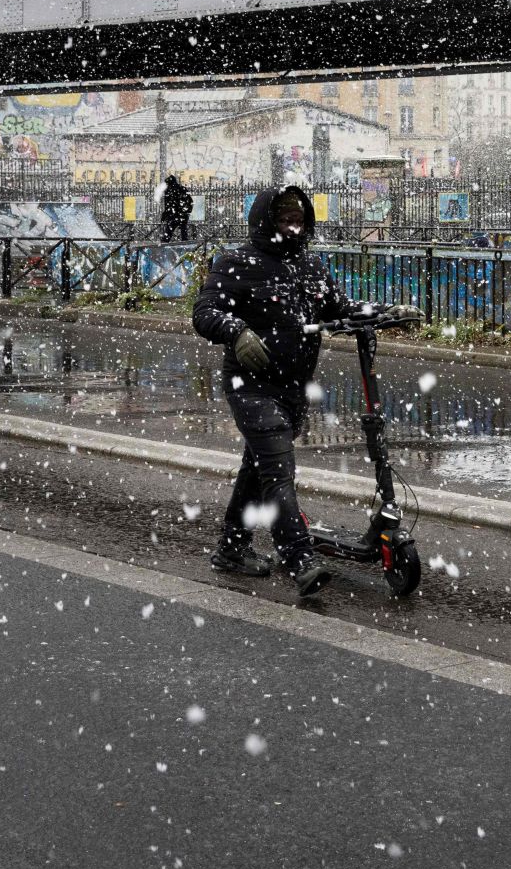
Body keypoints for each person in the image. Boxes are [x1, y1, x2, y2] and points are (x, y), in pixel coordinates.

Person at [192, 185, 409, 595]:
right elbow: (204, 313)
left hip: (293, 388)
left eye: (299, 217)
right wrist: (236, 331)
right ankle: (300, 559)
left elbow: (339, 308)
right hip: (251, 387)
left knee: (256, 469)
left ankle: (232, 549)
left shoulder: (310, 267)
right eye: (284, 216)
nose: (293, 224)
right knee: (277, 472)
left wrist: (384, 313)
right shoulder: (236, 262)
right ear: (265, 219)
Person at [158, 174, 192, 242]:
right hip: (182, 215)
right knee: (184, 233)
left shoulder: (168, 191)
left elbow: (168, 205)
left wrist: (164, 215)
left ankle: (163, 246)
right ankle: (185, 246)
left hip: (173, 216)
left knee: (168, 234)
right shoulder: (182, 189)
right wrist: (186, 212)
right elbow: (190, 202)